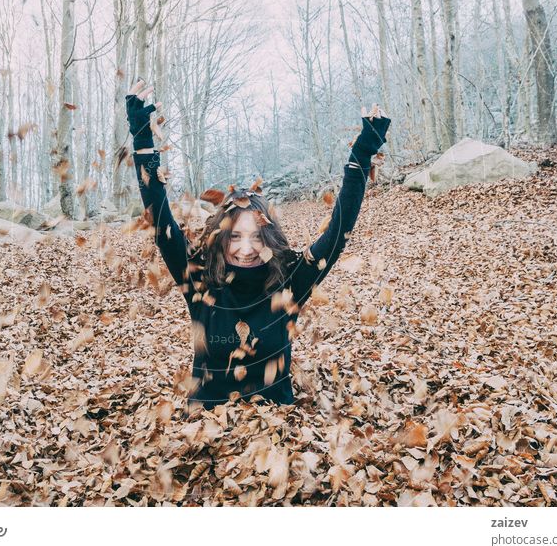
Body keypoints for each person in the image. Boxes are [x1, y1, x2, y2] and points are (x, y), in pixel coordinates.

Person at [125, 79, 391, 411]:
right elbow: (160, 216)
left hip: (278, 434)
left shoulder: (290, 282)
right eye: (235, 236)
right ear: (220, 240)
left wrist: (362, 152)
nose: (245, 247)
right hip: (204, 435)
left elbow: (338, 233)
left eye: (256, 236)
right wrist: (142, 136)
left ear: (269, 238)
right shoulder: (199, 279)